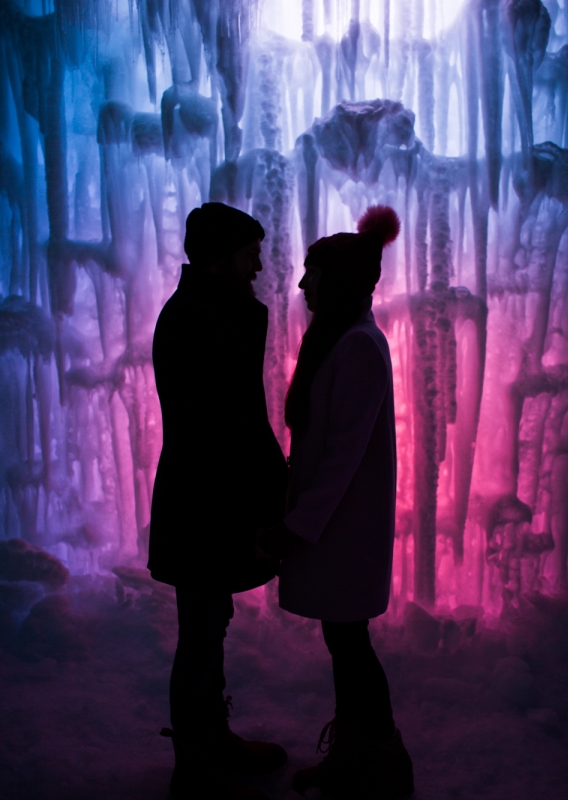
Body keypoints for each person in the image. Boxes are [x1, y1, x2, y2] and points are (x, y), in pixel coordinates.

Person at [260, 206, 414, 799]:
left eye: (312, 273)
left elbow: (342, 458)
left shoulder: (356, 347)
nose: (302, 286)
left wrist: (298, 526)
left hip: (342, 533)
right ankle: (363, 756)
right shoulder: (344, 340)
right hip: (340, 532)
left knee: (351, 646)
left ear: (341, 279)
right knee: (345, 644)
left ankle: (379, 761)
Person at [148, 202, 289, 800]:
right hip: (206, 498)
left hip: (204, 495)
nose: (259, 263)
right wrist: (270, 492)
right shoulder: (202, 319)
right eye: (249, 251)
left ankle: (209, 741)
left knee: (208, 624)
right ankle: (196, 764)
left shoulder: (206, 312)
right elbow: (229, 422)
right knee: (202, 630)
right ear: (221, 255)